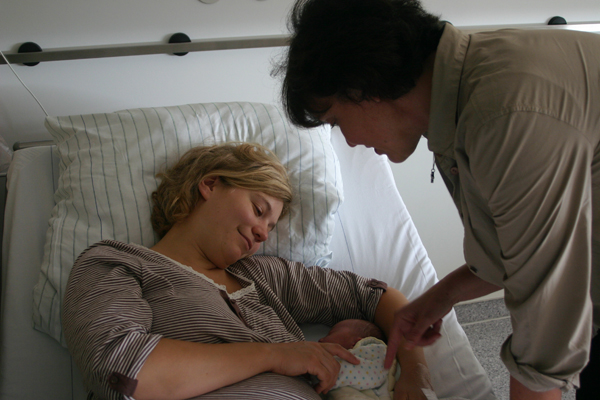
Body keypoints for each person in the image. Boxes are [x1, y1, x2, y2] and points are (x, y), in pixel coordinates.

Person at [275, 0, 600, 399]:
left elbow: (545, 320)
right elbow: (510, 248)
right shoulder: (458, 102)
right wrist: (440, 297)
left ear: (362, 87)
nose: (351, 142)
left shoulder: (504, 115)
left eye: (337, 121)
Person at [62, 142, 433, 400]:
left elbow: (375, 296)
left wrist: (417, 376)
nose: (262, 234)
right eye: (258, 210)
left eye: (270, 227)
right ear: (210, 184)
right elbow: (121, 371)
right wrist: (275, 355)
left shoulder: (262, 277)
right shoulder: (117, 262)